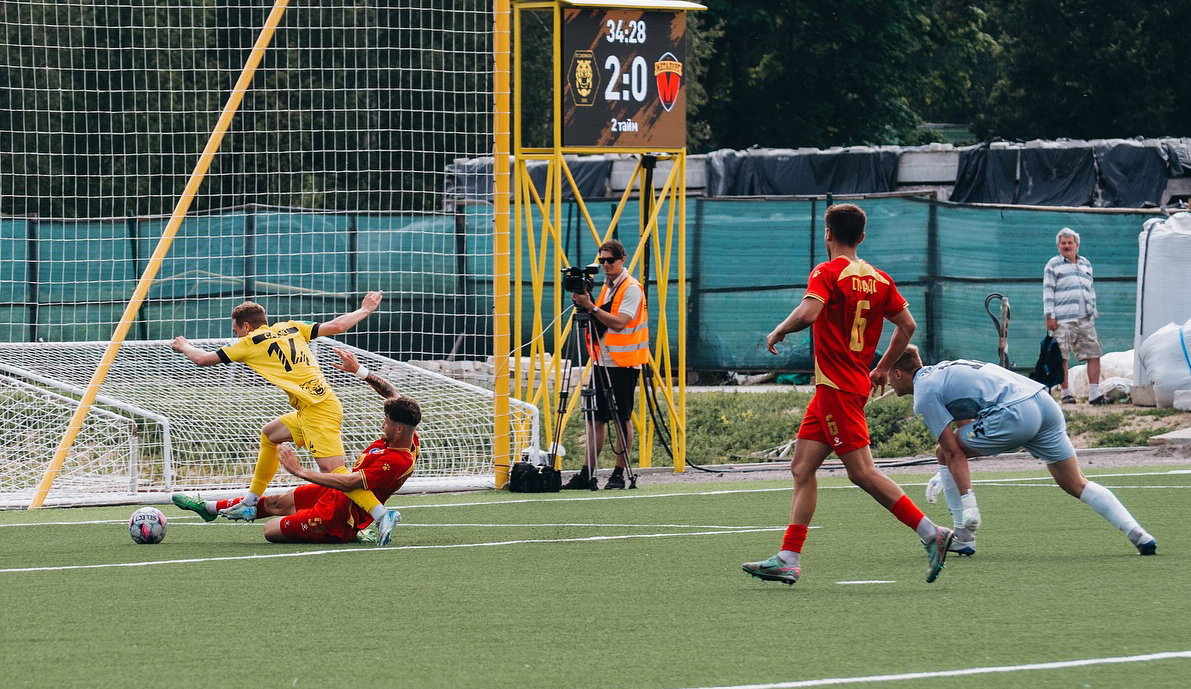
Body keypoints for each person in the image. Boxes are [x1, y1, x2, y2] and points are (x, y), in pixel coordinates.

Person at [742, 203, 953, 586]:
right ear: (862, 237)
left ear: (828, 234)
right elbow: (907, 325)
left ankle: (930, 533)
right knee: (802, 468)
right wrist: (883, 367)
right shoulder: (880, 279)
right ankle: (788, 557)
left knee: (862, 472)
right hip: (841, 386)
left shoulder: (826, 272)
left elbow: (808, 313)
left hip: (837, 388)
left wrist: (779, 330)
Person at [888, 344, 1156, 557]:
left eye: (888, 375)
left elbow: (953, 452)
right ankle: (1138, 534)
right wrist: (946, 473)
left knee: (943, 451)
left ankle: (963, 537)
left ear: (898, 373)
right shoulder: (943, 370)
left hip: (1014, 413)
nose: (889, 383)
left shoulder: (924, 394)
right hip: (1043, 403)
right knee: (1075, 482)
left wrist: (967, 502)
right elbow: (964, 426)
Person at [170, 292, 394, 534]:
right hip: (314, 407)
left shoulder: (249, 343)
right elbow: (338, 326)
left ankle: (381, 514)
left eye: (236, 331)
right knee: (270, 434)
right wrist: (364, 310)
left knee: (334, 472)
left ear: (246, 326)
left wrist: (184, 346)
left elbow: (203, 359)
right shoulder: (292, 327)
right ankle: (250, 502)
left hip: (318, 410)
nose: (237, 336)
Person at [172, 349, 419, 546]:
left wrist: (299, 471)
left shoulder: (396, 461)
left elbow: (348, 482)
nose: (382, 424)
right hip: (335, 495)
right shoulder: (409, 435)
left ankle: (359, 529)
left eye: (387, 422)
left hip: (339, 517)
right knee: (276, 502)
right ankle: (209, 508)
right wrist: (359, 370)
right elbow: (391, 392)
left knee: (270, 530)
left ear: (399, 428)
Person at [562, 239, 649, 490]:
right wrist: (588, 303)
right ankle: (587, 473)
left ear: (622, 260)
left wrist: (590, 306)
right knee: (596, 418)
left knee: (621, 418)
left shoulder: (631, 288)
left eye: (610, 260)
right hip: (603, 360)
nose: (606, 265)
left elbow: (620, 323)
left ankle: (618, 474)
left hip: (624, 362)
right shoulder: (607, 287)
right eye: (602, 260)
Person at [1043, 228, 1105, 404]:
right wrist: (1050, 316)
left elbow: (1090, 289)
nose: (1067, 246)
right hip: (1063, 318)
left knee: (1094, 353)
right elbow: (1048, 291)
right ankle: (1066, 394)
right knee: (1062, 356)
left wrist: (1092, 310)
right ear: (1058, 246)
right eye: (1063, 243)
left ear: (1077, 245)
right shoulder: (1053, 265)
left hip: (1085, 318)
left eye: (1070, 243)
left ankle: (1094, 394)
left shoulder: (1086, 264)